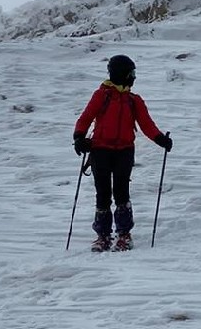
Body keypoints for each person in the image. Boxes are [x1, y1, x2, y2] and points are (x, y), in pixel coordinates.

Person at [73, 54, 171, 251]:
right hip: (100, 150)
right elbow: (86, 118)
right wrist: (79, 137)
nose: (133, 77)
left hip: (124, 151)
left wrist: (160, 139)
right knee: (103, 193)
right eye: (131, 73)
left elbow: (146, 124)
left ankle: (124, 234)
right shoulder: (102, 96)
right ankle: (103, 236)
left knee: (121, 192)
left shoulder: (133, 100)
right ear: (121, 74)